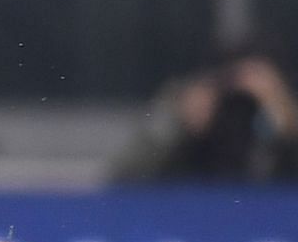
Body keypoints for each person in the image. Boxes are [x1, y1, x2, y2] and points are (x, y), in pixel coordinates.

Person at [116, 44, 298, 183]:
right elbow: (124, 179)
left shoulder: (278, 122)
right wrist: (176, 123)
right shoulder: (193, 132)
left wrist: (285, 121)